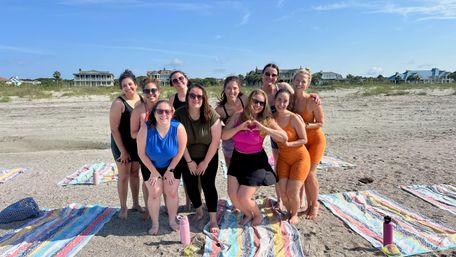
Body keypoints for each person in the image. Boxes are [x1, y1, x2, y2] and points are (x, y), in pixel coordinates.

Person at [222, 89, 288, 226]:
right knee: (233, 196)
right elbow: (224, 135)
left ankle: (258, 215)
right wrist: (240, 127)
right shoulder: (238, 116)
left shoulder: (266, 119)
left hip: (256, 161)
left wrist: (263, 127)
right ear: (249, 100)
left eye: (261, 103)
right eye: (255, 101)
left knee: (243, 197)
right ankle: (248, 213)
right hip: (237, 159)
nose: (258, 105)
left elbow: (283, 137)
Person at [174, 84, 222, 233]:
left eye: (199, 96)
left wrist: (205, 163)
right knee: (191, 184)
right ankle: (199, 211)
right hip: (186, 153)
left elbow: (215, 141)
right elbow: (179, 140)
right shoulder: (179, 114)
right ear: (187, 97)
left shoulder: (211, 114)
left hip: (209, 155)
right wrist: (189, 161)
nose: (196, 99)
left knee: (208, 185)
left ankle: (213, 219)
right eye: (192, 96)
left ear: (204, 98)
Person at [137, 100, 187, 235]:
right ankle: (155, 223)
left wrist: (170, 170)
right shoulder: (146, 128)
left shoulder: (178, 128)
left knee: (171, 191)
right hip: (150, 164)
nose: (163, 114)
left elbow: (181, 152)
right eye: (160, 111)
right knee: (154, 192)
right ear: (154, 113)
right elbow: (141, 153)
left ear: (172, 113)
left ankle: (172, 221)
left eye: (167, 111)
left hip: (172, 164)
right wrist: (154, 172)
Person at [109, 69, 144, 219]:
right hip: (121, 144)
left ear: (135, 85)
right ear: (121, 88)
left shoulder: (142, 100)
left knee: (135, 174)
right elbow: (114, 129)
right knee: (123, 176)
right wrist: (123, 151)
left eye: (130, 84)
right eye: (124, 85)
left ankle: (136, 203)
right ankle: (123, 207)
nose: (128, 87)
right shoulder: (118, 103)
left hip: (136, 144)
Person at [292, 68, 326, 220]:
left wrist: (304, 125)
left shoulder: (312, 100)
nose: (300, 83)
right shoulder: (290, 99)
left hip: (315, 140)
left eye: (303, 81)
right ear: (293, 81)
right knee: (303, 173)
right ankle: (305, 203)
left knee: (310, 173)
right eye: (297, 80)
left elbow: (320, 122)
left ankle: (314, 205)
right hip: (301, 142)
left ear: (308, 83)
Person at [273, 89, 310, 224]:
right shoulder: (272, 119)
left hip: (300, 158)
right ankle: (288, 211)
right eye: (279, 100)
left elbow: (304, 139)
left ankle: (294, 214)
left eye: (285, 101)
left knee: (292, 191)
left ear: (288, 103)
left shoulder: (294, 118)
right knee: (283, 192)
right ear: (274, 101)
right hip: (283, 158)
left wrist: (289, 144)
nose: (281, 104)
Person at [130, 78, 161, 219]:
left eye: (153, 90)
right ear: (143, 93)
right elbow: (133, 133)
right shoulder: (138, 110)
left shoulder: (164, 107)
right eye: (147, 91)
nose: (150, 93)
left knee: (165, 180)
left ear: (158, 92)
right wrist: (147, 133)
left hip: (163, 151)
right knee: (148, 180)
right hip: (146, 152)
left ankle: (165, 207)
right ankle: (149, 209)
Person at [215, 76, 248, 168]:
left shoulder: (245, 99)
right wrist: (225, 127)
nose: (232, 91)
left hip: (246, 140)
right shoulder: (220, 110)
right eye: (228, 88)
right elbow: (212, 127)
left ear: (239, 89)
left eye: (235, 88)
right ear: (224, 89)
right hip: (230, 143)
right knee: (232, 171)